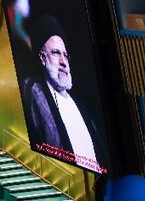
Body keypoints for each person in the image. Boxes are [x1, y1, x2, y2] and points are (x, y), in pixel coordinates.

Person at [20, 15, 105, 173]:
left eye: (65, 55)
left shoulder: (80, 105)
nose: (63, 61)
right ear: (43, 58)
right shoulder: (33, 90)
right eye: (56, 53)